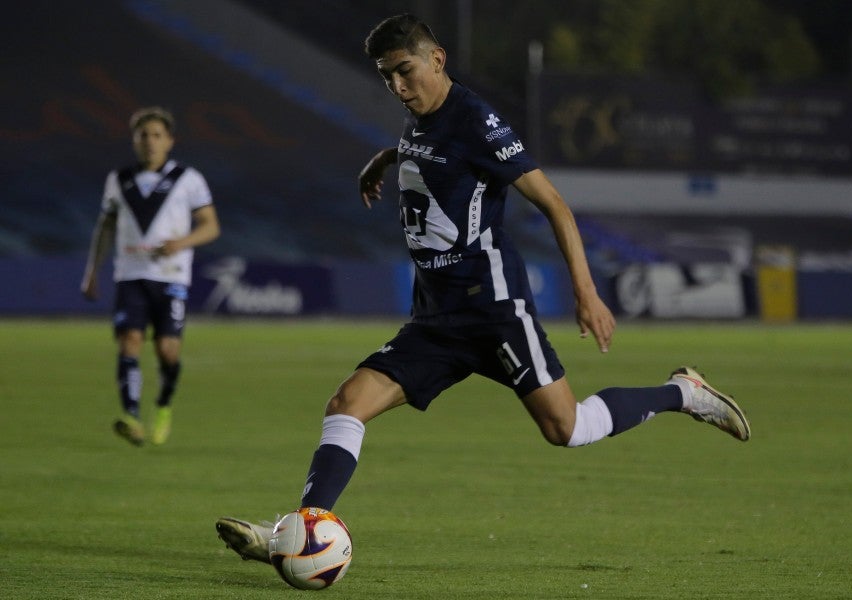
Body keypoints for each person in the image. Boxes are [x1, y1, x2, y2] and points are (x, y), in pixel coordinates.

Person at [215, 14, 749, 562]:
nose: (398, 88)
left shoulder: (477, 120)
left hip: (493, 309)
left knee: (568, 428)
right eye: (386, 77)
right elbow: (432, 153)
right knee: (345, 404)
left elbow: (554, 206)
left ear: (437, 59)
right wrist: (387, 157)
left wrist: (586, 292)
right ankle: (297, 532)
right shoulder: (421, 117)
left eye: (405, 72)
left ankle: (683, 393)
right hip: (435, 319)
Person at [81, 106, 220, 446]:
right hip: (130, 274)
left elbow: (211, 226)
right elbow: (106, 227)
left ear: (169, 141)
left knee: (167, 351)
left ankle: (162, 406)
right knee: (129, 341)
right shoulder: (118, 180)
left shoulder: (189, 179)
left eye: (157, 135)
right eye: (144, 135)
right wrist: (92, 273)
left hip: (171, 276)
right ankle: (131, 417)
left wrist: (181, 243)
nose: (150, 142)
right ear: (134, 140)